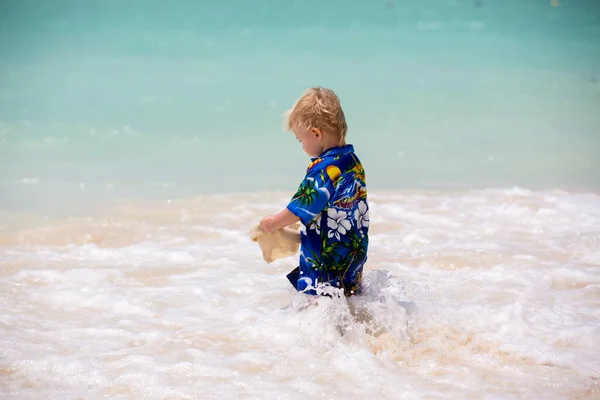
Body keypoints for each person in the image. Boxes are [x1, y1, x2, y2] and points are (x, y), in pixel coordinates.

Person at [259, 87, 370, 297]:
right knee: (347, 300)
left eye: (301, 140)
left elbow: (301, 207)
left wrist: (272, 223)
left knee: (317, 304)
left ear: (316, 134)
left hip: (325, 259)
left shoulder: (324, 168)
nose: (301, 146)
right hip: (352, 253)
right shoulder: (352, 162)